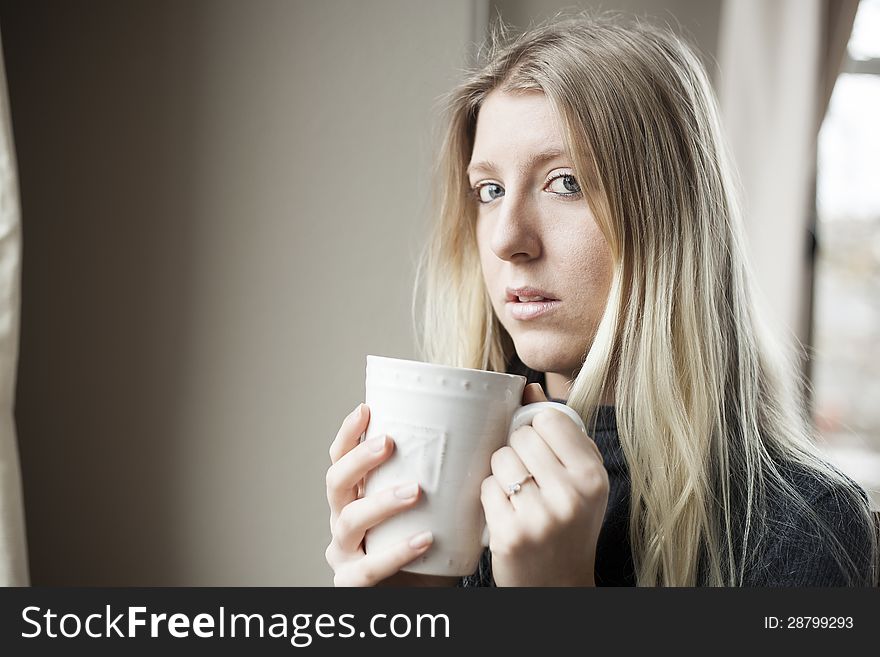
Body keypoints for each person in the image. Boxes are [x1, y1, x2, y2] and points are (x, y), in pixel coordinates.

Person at [324, 12, 879, 587]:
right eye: (489, 190)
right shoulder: (459, 489)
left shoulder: (805, 527)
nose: (507, 239)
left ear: (669, 220)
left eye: (564, 182)